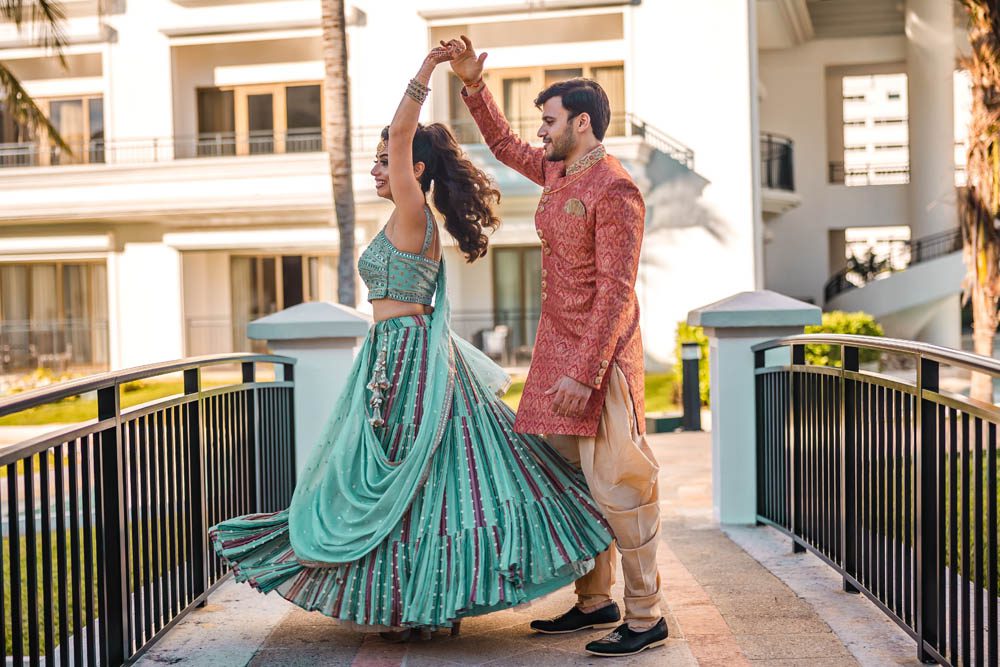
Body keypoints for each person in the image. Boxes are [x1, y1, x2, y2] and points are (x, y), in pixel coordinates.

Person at [208, 42, 613, 640]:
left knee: (408, 479)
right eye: (377, 163)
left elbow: (402, 135)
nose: (378, 169)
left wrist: (427, 71)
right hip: (398, 356)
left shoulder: (410, 211)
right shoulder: (408, 217)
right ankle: (418, 602)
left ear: (414, 171)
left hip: (405, 358)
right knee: (422, 483)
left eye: (384, 162)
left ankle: (419, 603)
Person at [446, 36, 667, 657]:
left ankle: (647, 616)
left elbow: (617, 293)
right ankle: (594, 602)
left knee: (621, 486)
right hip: (554, 360)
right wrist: (471, 84)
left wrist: (588, 370)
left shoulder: (616, 191)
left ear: (582, 122)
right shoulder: (556, 170)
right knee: (571, 484)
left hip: (600, 366)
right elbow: (503, 145)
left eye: (548, 121)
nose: (539, 133)